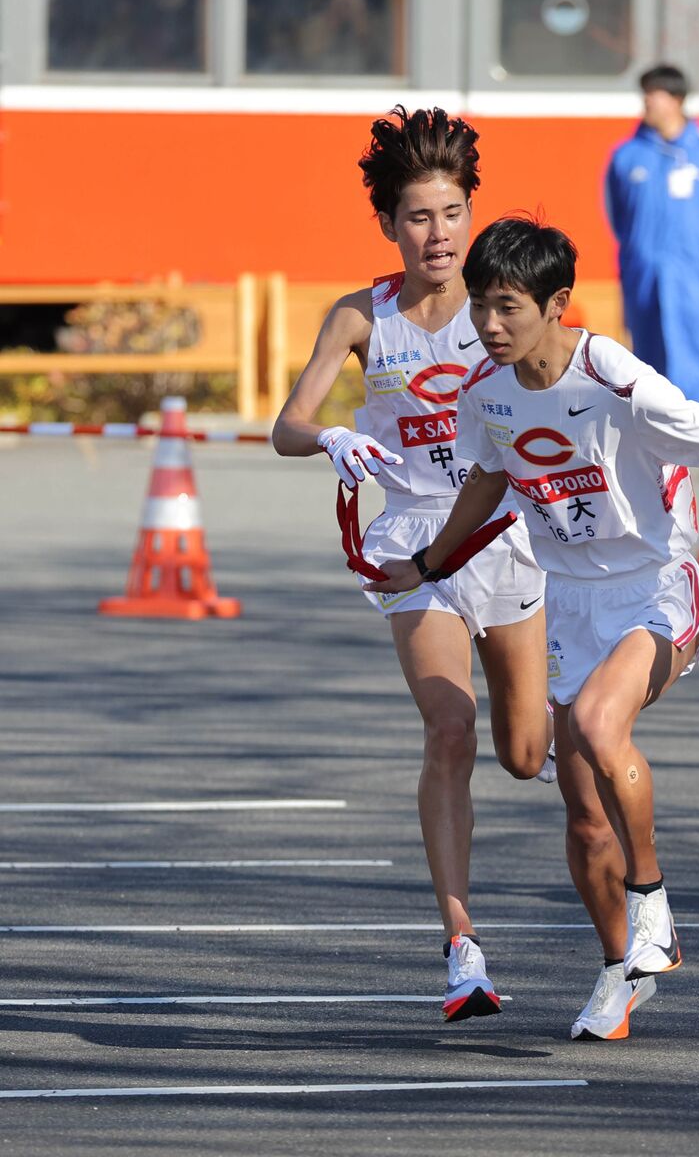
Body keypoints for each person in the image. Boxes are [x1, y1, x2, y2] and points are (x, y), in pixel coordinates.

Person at [372, 216, 699, 1042]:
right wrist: (430, 565)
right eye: (478, 307)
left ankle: (655, 910)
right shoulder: (486, 389)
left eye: (507, 307)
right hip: (568, 604)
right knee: (582, 814)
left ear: (557, 304)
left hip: (656, 587)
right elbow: (486, 477)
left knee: (595, 722)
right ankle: (621, 970)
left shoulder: (610, 373)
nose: (488, 325)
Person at [271, 108, 554, 1025]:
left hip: (507, 534)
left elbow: (577, 398)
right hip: (415, 550)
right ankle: (461, 947)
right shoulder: (364, 315)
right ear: (391, 225)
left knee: (524, 754)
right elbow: (287, 424)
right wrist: (335, 436)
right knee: (447, 728)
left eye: (451, 213)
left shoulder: (502, 309)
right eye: (418, 217)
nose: (438, 234)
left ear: (472, 214)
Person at [604, 64, 699, 414]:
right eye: (644, 92)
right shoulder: (625, 155)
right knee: (648, 353)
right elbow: (617, 217)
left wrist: (696, 256)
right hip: (642, 274)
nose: (646, 100)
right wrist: (641, 254)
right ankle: (656, 431)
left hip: (692, 273)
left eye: (655, 92)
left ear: (676, 99)